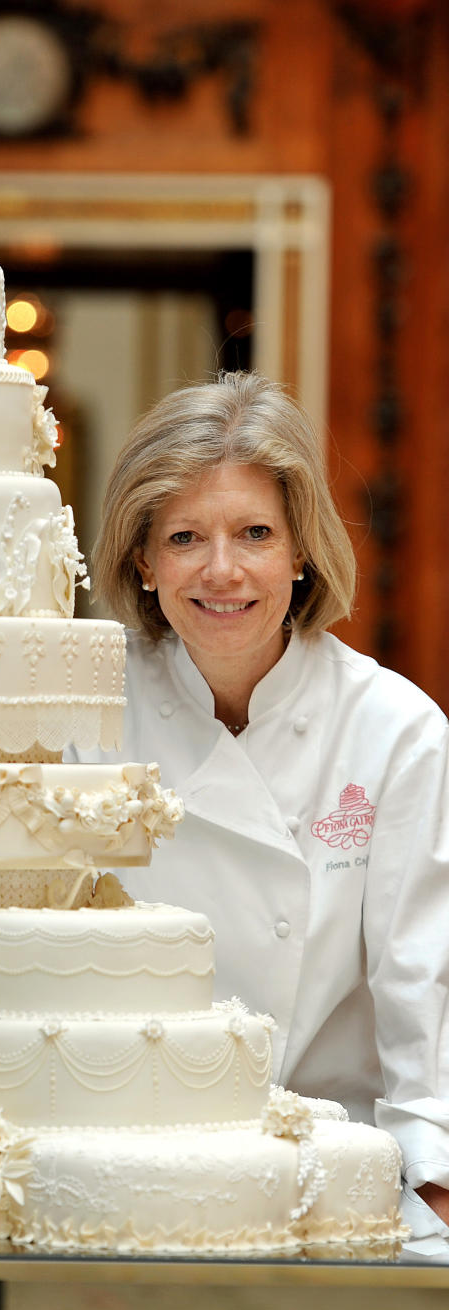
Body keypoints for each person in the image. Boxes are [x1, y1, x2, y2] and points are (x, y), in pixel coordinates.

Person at [76, 370, 449, 1240]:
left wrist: (432, 1171)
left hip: (335, 1169)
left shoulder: (395, 731)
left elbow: (420, 978)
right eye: (183, 536)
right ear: (142, 556)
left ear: (301, 550)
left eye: (254, 533)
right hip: (131, 1159)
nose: (222, 570)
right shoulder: (85, 711)